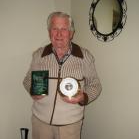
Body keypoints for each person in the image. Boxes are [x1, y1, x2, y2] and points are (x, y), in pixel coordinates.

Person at [23, 11, 102, 139]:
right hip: (41, 124)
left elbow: (95, 85)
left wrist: (83, 97)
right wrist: (32, 90)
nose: (59, 34)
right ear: (49, 32)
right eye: (55, 29)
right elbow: (27, 80)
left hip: (70, 126)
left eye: (64, 29)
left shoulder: (85, 56)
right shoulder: (39, 54)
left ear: (71, 33)